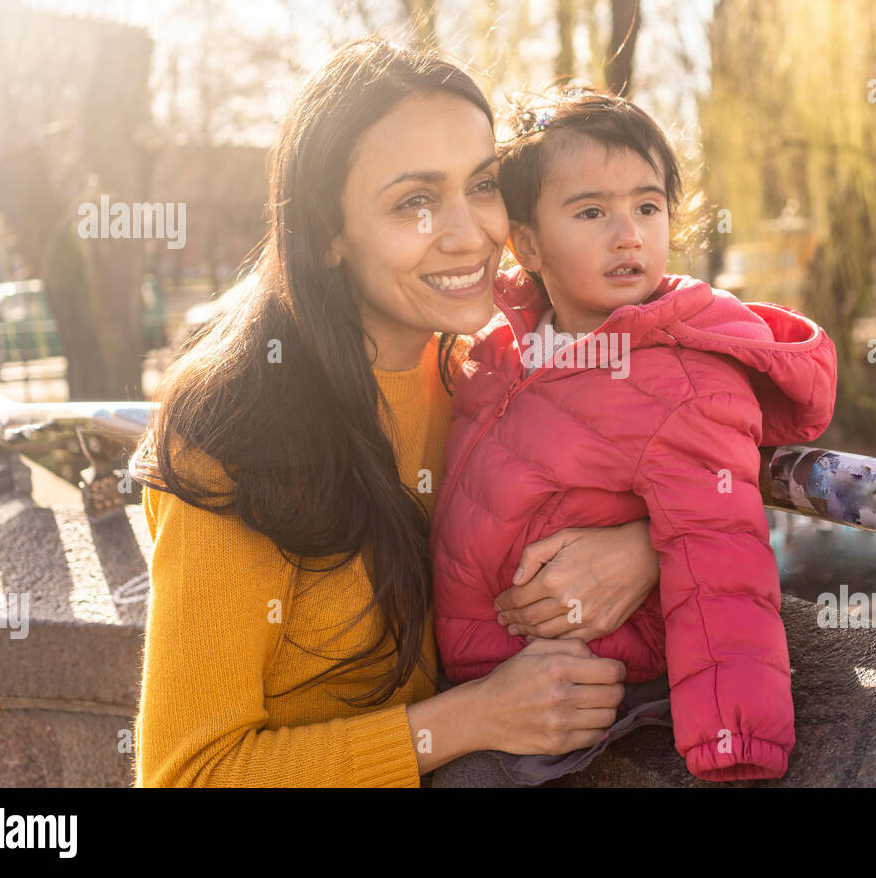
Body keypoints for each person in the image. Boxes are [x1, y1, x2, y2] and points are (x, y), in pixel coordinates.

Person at [126, 39, 667, 787]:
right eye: (414, 201)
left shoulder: (486, 377)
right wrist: (469, 720)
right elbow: (189, 773)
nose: (471, 231)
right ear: (326, 238)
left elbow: (705, 416)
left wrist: (645, 544)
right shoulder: (232, 437)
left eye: (482, 184)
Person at [431, 87, 838, 782]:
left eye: (647, 207)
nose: (628, 233)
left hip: (584, 687)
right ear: (526, 242)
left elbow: (721, 558)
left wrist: (732, 737)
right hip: (482, 678)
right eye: (592, 211)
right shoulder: (503, 344)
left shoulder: (686, 379)